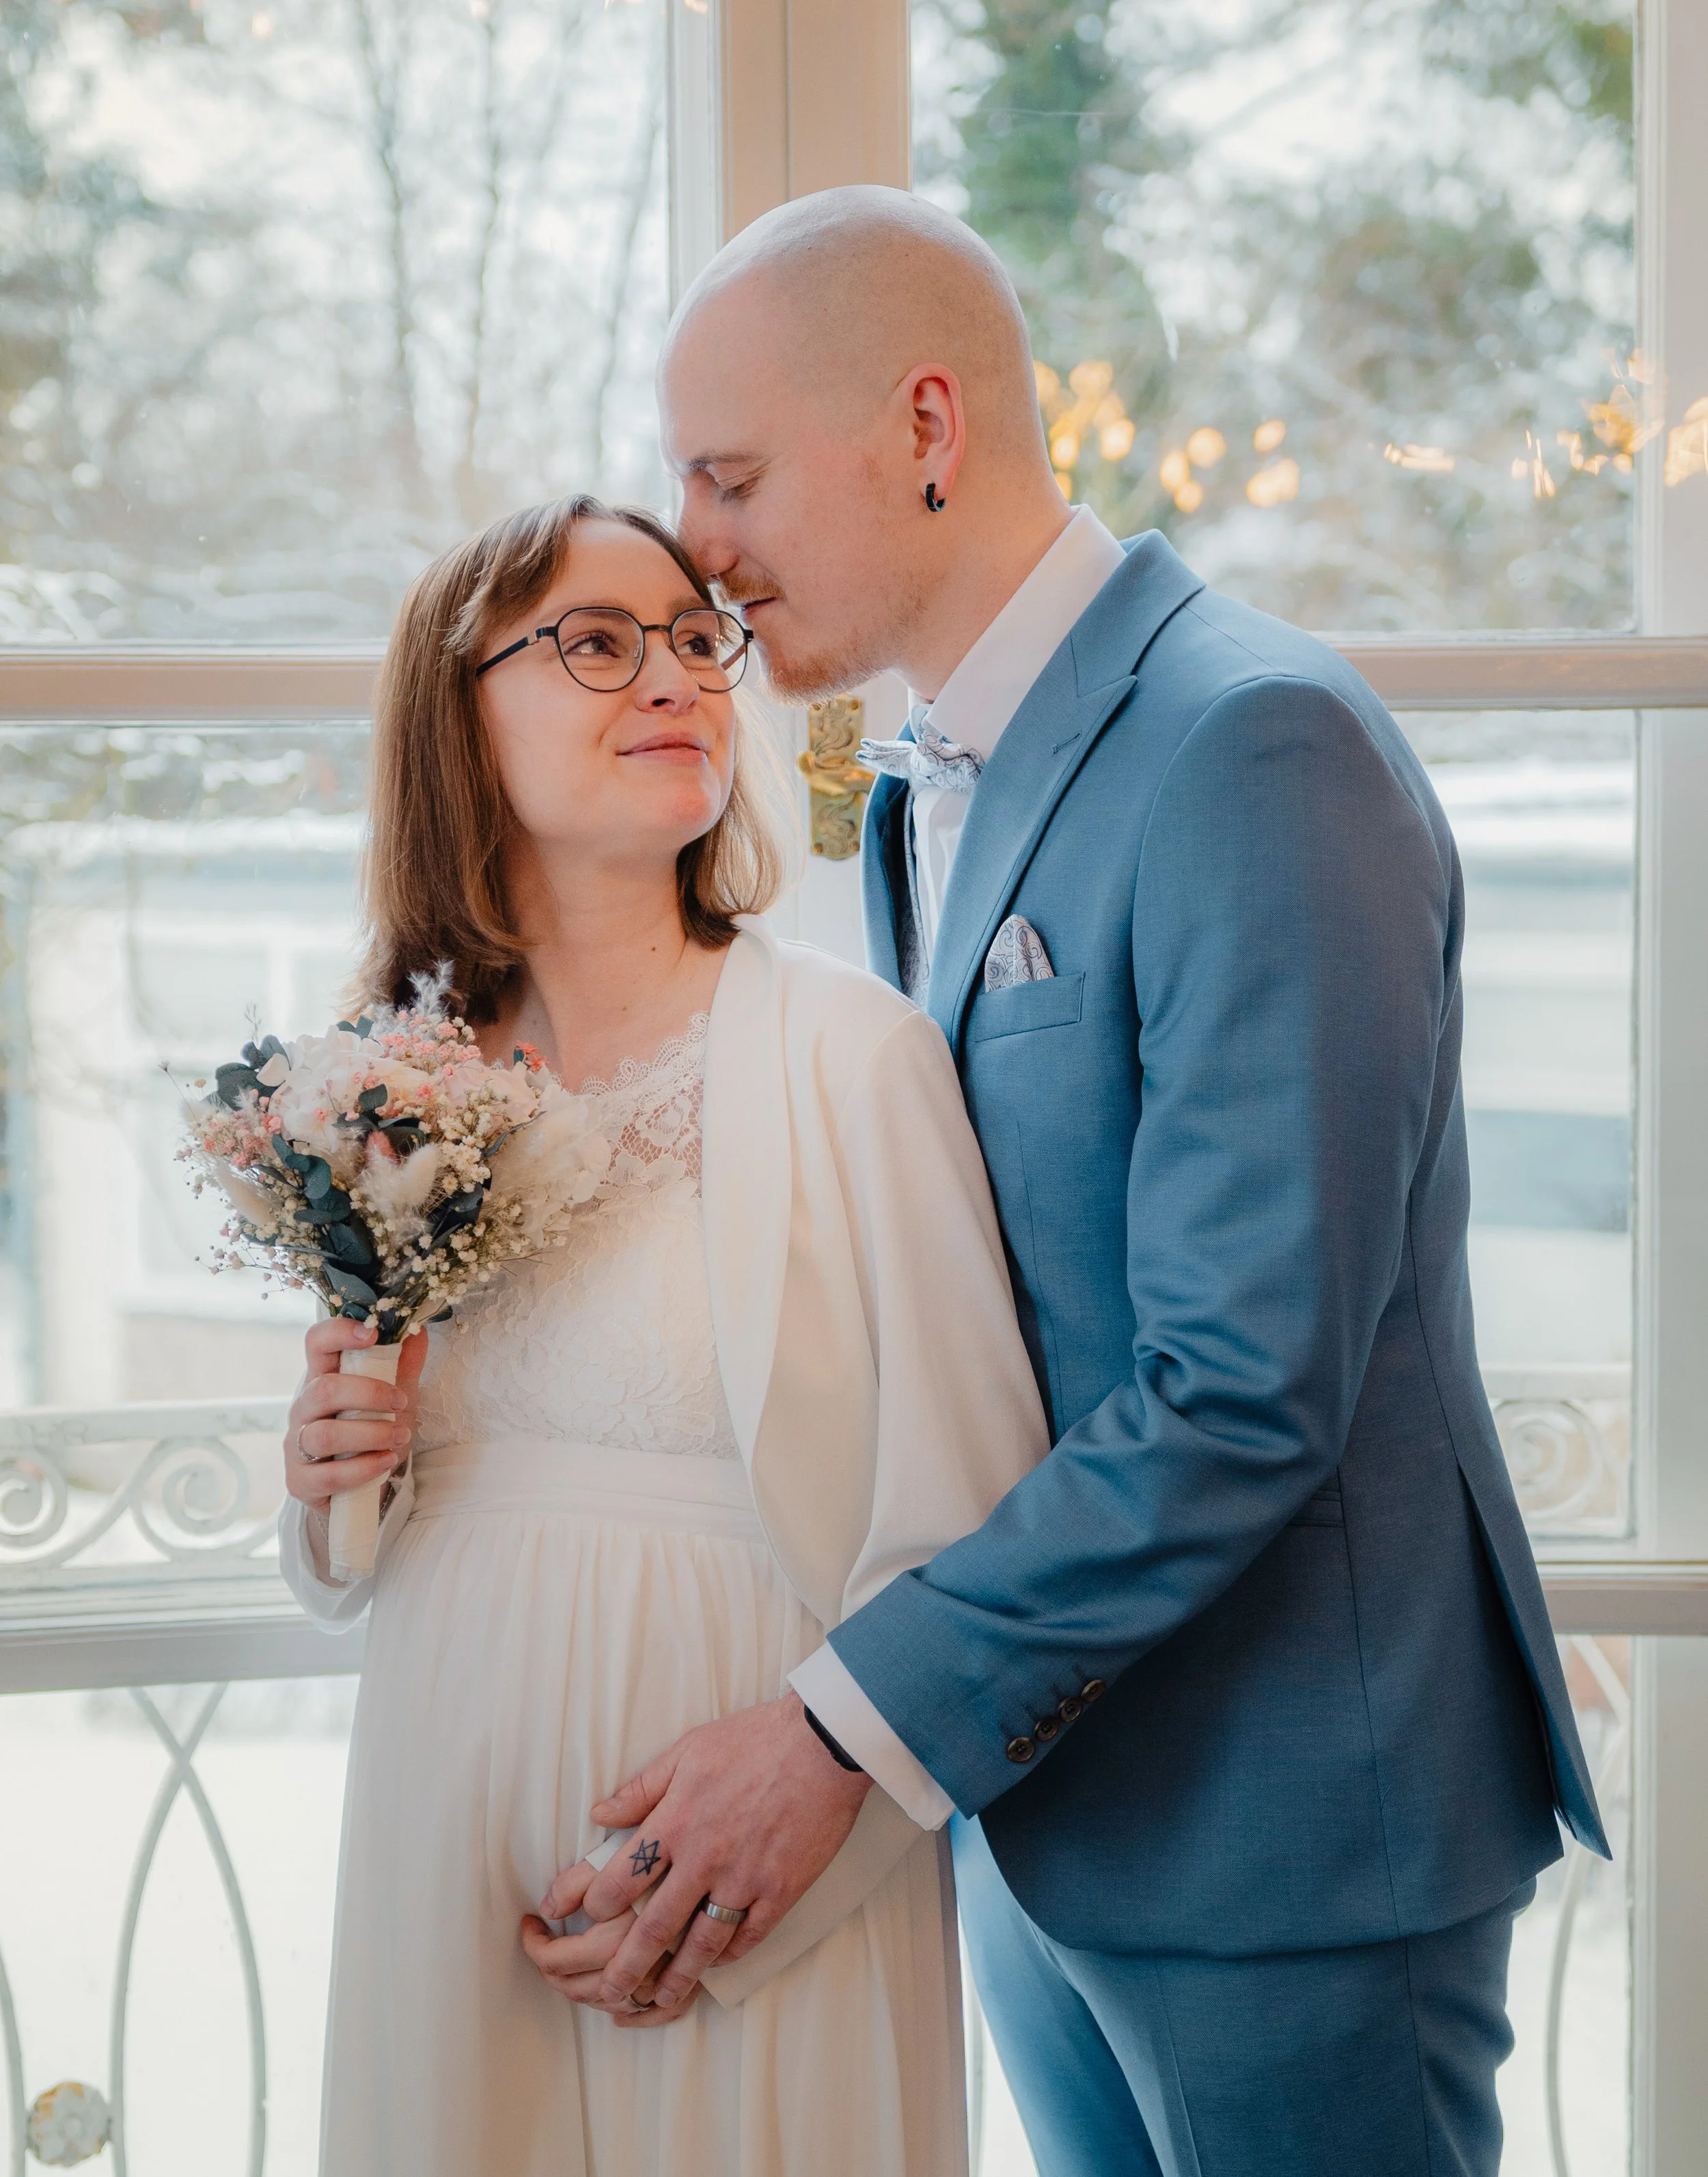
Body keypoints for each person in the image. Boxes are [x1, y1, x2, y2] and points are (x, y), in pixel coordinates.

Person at [561, 189, 1608, 2177]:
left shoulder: (1254, 745)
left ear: (928, 430)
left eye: (731, 474)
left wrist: (832, 1731)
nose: (697, 544)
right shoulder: (910, 791)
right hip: (1040, 1816)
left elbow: (1241, 1387)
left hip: (1290, 1838)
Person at [275, 493, 1049, 2177]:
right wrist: (326, 1478)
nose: (681, 681)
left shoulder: (857, 1060)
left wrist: (775, 1868)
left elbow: (981, 1531)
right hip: (446, 1812)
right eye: (598, 644)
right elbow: (352, 1554)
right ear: (454, 723)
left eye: (698, 639)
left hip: (758, 1880)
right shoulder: (392, 1093)